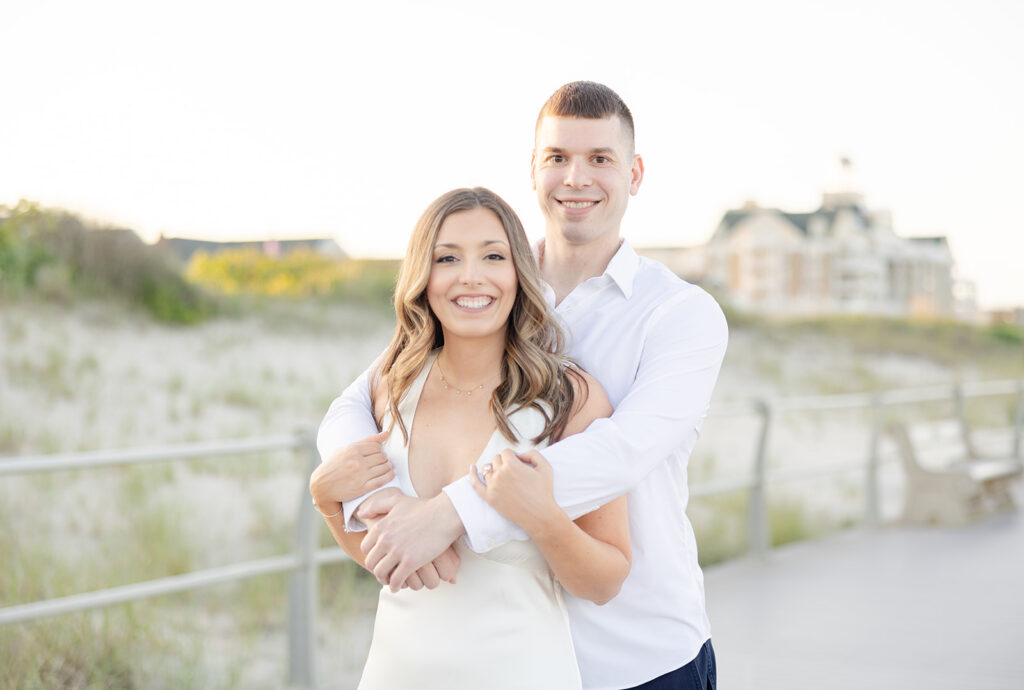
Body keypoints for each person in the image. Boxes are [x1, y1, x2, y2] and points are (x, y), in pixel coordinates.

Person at [317, 82, 728, 690]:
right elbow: (358, 400)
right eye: (557, 158)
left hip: (636, 651)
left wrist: (448, 512)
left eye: (600, 159)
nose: (576, 178)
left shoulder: (679, 315)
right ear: (533, 172)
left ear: (634, 173)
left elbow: (622, 452)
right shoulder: (488, 288)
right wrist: (348, 492)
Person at [310, 186, 631, 689]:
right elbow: (383, 558)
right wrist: (326, 499)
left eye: (493, 256)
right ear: (424, 275)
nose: (471, 276)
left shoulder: (572, 398)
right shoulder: (389, 386)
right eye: (448, 258)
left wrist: (542, 517)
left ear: (519, 273)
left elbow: (606, 581)